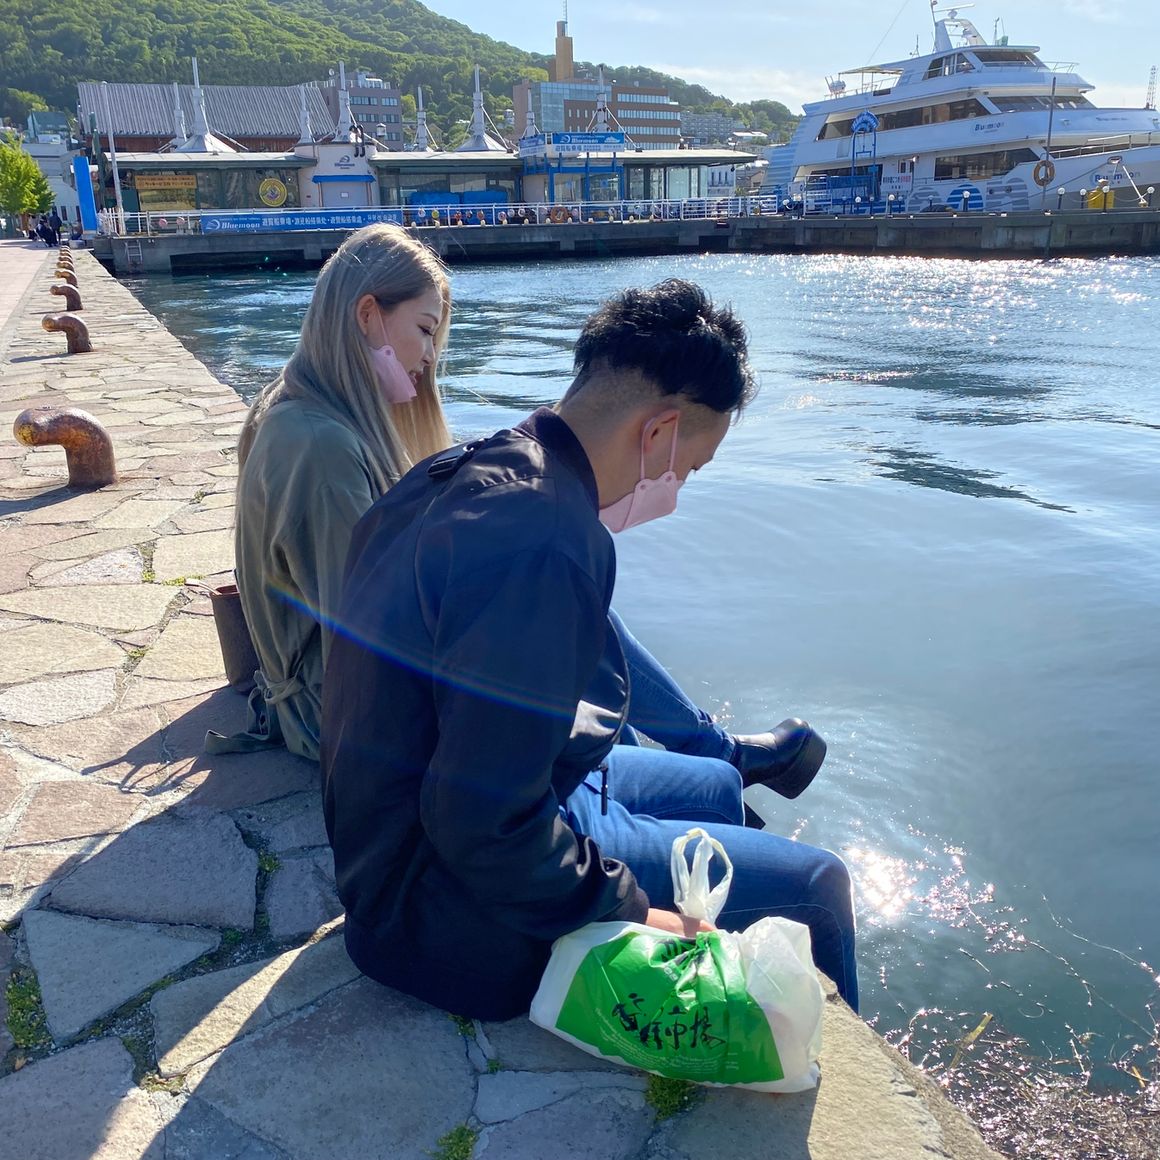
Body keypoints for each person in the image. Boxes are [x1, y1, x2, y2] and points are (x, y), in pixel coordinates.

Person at [321, 279, 858, 1021]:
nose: (676, 488)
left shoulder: (467, 470)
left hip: (401, 845)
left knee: (716, 783)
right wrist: (639, 913)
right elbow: (480, 823)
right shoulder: (545, 540)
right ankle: (788, 1049)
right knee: (821, 887)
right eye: (688, 469)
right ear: (659, 431)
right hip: (438, 912)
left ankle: (726, 997)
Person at [229, 227, 825, 800]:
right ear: (368, 315)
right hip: (331, 716)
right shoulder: (319, 445)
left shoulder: (310, 414)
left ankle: (696, 762)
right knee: (558, 613)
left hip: (335, 695)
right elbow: (364, 634)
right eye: (425, 330)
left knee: (564, 607)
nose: (430, 357)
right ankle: (695, 764)